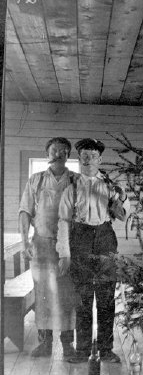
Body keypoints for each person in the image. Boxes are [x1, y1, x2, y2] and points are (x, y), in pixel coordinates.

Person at [56, 138, 130, 363]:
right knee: (83, 299)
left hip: (105, 238)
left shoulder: (110, 186)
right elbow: (62, 222)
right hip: (80, 239)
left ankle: (106, 350)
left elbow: (122, 216)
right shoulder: (71, 187)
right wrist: (65, 254)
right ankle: (82, 350)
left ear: (100, 159)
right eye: (84, 156)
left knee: (107, 297)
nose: (88, 160)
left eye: (92, 156)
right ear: (79, 160)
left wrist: (122, 197)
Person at [19, 137, 77, 358]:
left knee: (67, 295)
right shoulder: (36, 180)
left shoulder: (76, 180)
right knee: (42, 295)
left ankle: (68, 344)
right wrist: (25, 241)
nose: (59, 153)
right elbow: (25, 211)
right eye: (54, 150)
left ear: (68, 156)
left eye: (64, 151)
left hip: (68, 247)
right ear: (47, 154)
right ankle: (45, 343)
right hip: (41, 245)